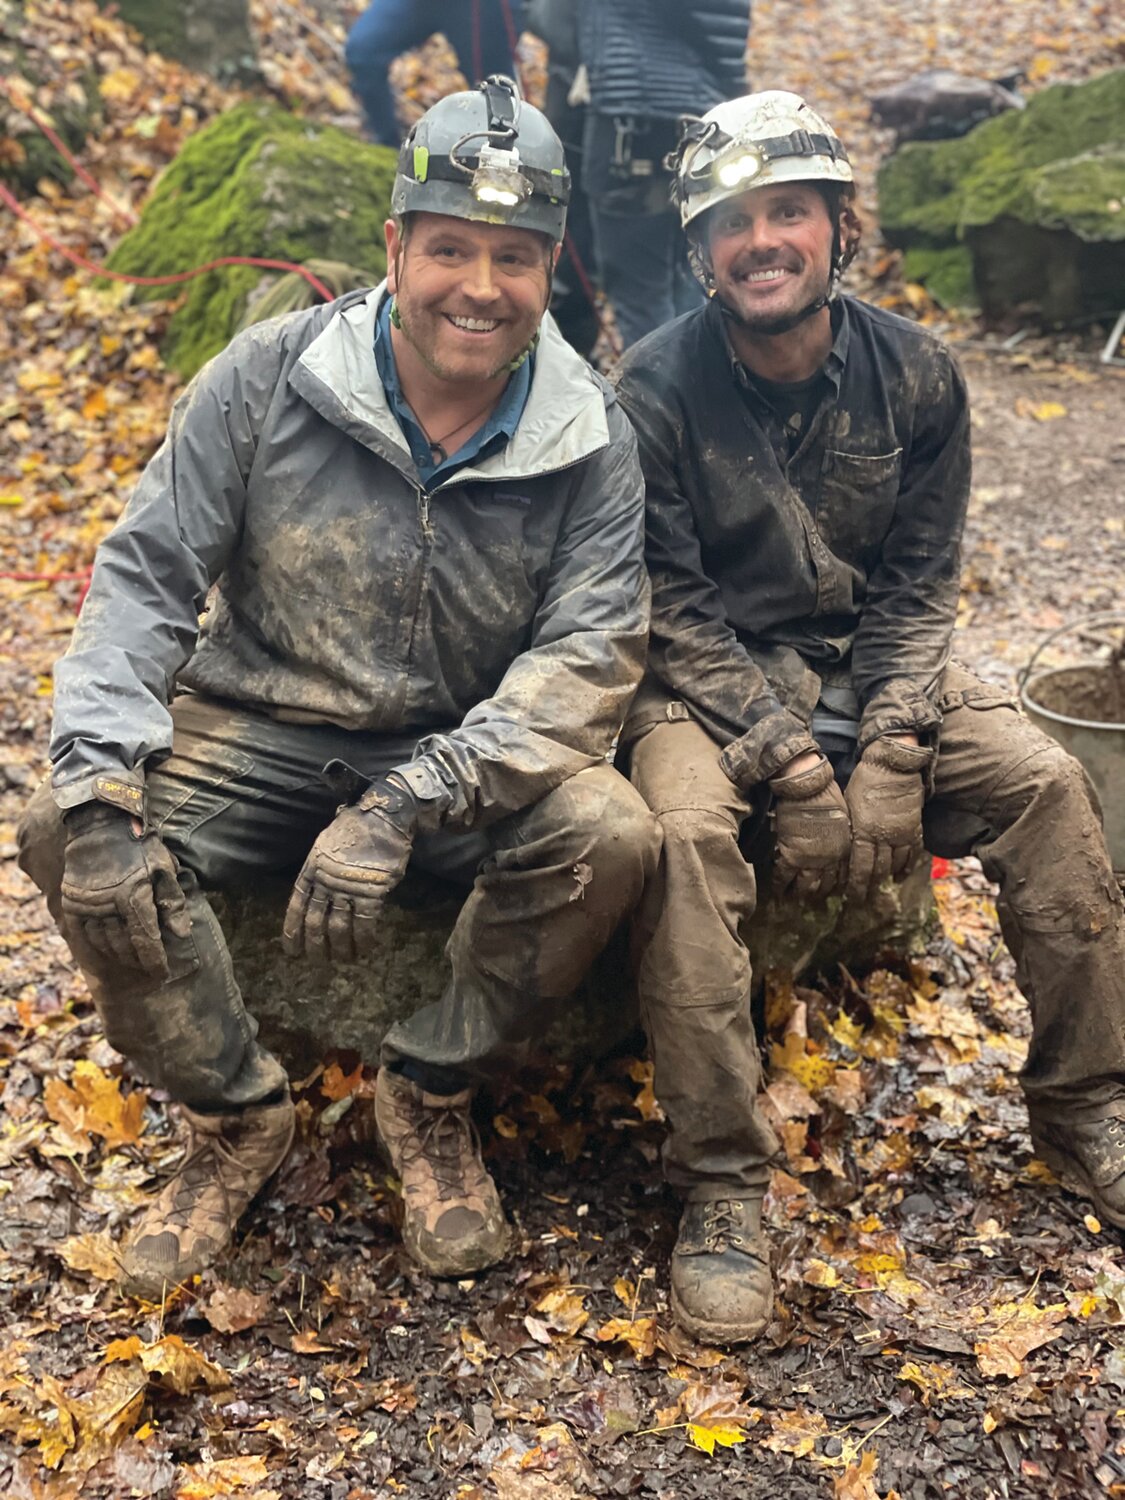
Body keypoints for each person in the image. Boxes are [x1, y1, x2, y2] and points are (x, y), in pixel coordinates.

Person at [18, 77, 658, 1298]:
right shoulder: (267, 379)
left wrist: (405, 803)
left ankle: (428, 1095)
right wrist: (99, 779)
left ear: (553, 267)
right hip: (255, 730)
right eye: (452, 248)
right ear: (395, 247)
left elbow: (586, 664)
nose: (481, 285)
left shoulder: (591, 437)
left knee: (610, 832)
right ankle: (235, 1113)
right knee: (66, 827)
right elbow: (146, 577)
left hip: (461, 762)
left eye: (515, 257)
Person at [614, 90, 1125, 1346]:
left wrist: (893, 745)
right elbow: (667, 608)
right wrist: (787, 763)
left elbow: (918, 586)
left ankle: (1085, 1103)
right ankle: (724, 1185)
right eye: (733, 223)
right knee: (682, 840)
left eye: (789, 211)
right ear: (701, 253)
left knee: (1047, 787)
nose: (762, 241)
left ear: (844, 229)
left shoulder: (918, 375)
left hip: (877, 665)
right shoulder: (654, 390)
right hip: (710, 682)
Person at [575, 0, 751, 348]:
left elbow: (551, 22)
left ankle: (660, 396)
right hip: (706, 124)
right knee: (695, 276)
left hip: (627, 121)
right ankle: (702, 389)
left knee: (641, 293)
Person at [346, 0, 523, 145]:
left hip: (479, 7)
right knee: (364, 52)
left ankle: (503, 162)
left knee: (497, 91)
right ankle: (388, 146)